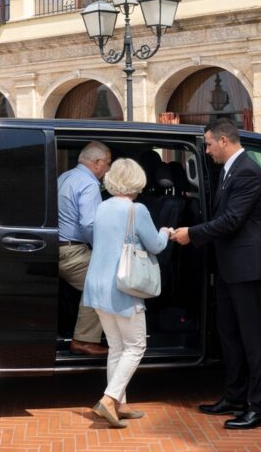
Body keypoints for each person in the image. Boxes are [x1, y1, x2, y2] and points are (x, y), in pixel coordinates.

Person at [170, 118, 261, 430]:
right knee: (229, 336)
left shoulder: (247, 171)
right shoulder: (230, 170)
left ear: (225, 141)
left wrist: (192, 233)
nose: (206, 150)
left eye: (209, 144)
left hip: (247, 269)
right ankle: (234, 397)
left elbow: (230, 220)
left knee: (254, 341)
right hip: (230, 269)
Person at [82, 158, 170, 428]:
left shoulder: (103, 207)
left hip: (96, 285)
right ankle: (109, 400)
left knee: (116, 348)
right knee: (135, 346)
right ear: (136, 181)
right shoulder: (137, 209)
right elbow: (155, 245)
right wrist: (166, 231)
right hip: (122, 286)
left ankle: (120, 404)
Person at [57, 141, 111, 357]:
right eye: (107, 164)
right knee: (104, 284)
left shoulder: (65, 177)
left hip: (58, 249)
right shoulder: (89, 184)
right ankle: (84, 340)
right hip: (73, 252)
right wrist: (105, 248)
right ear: (96, 163)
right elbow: (89, 224)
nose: (107, 169)